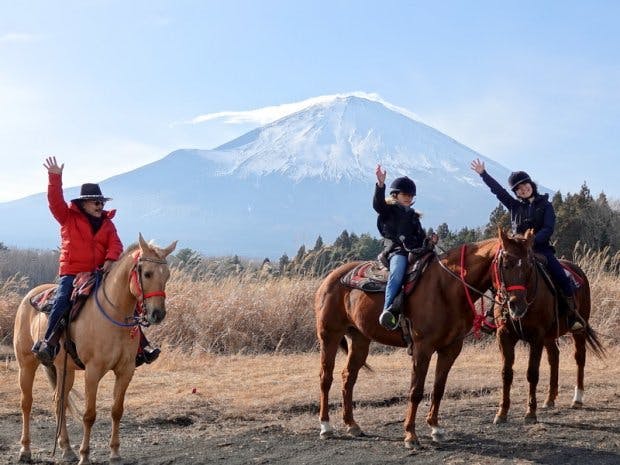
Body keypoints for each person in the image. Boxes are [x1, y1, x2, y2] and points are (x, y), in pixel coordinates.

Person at [32, 156, 161, 365]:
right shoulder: (67, 217)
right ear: (84, 203)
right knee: (62, 300)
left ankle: (141, 346)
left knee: (129, 302)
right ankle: (49, 343)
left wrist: (111, 259)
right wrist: (54, 177)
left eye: (101, 201)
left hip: (99, 272)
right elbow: (54, 201)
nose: (100, 204)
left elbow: (116, 244)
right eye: (95, 201)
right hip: (72, 272)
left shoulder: (107, 224)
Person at [470, 158, 584, 331]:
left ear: (531, 184)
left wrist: (531, 241)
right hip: (517, 253)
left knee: (562, 277)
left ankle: (572, 315)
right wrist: (483, 174)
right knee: (499, 274)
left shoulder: (546, 206)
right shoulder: (514, 206)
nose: (523, 190)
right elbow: (498, 191)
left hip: (541, 250)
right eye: (519, 189)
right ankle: (493, 315)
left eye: (525, 185)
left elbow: (548, 228)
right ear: (516, 193)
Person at [373, 164, 435, 330]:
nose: (408, 197)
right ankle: (388, 311)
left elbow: (420, 237)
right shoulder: (388, 210)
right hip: (397, 252)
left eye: (411, 195)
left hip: (415, 252)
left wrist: (429, 242)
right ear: (395, 195)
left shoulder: (414, 216)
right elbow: (378, 205)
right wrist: (380, 185)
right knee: (398, 272)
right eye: (405, 194)